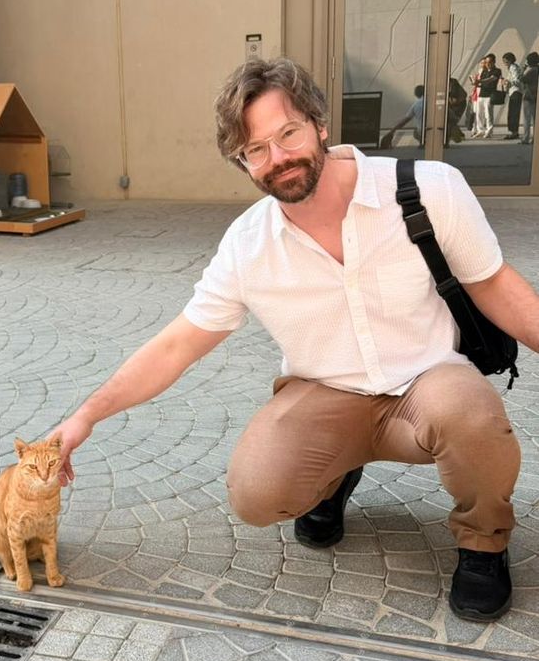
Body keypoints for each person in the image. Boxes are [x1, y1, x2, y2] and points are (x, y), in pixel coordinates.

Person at [51, 58, 539, 623]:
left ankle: (483, 543)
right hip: (327, 392)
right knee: (256, 492)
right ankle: (333, 476)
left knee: (471, 415)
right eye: (256, 149)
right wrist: (87, 415)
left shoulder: (429, 189)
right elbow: (177, 344)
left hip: (427, 385)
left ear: (319, 124)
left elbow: (498, 287)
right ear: (242, 162)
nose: (278, 158)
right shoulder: (249, 244)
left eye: (287, 133)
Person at [470, 53, 502, 139]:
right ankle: (480, 130)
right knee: (479, 114)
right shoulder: (484, 71)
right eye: (487, 62)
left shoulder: (497, 71)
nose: (488, 64)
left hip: (490, 95)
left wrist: (479, 81)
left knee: (488, 114)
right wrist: (475, 83)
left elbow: (491, 79)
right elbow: (481, 82)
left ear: (494, 62)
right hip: (481, 94)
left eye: (490, 62)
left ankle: (489, 131)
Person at [503, 52, 523, 140]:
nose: (504, 63)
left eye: (505, 61)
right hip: (514, 92)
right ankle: (513, 131)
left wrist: (507, 82)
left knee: (513, 112)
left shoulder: (513, 67)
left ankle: (514, 132)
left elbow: (516, 80)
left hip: (515, 91)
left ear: (510, 60)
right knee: (512, 112)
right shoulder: (512, 67)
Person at [520, 52, 538, 145]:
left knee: (527, 119)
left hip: (528, 96)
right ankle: (535, 138)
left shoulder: (531, 71)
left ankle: (526, 137)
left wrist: (523, 69)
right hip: (535, 96)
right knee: (535, 119)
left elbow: (522, 79)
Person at [446, 78, 468, 144]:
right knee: (451, 121)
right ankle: (460, 135)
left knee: (451, 121)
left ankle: (457, 136)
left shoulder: (455, 89)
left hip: (457, 108)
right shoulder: (457, 88)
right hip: (456, 107)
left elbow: (454, 100)